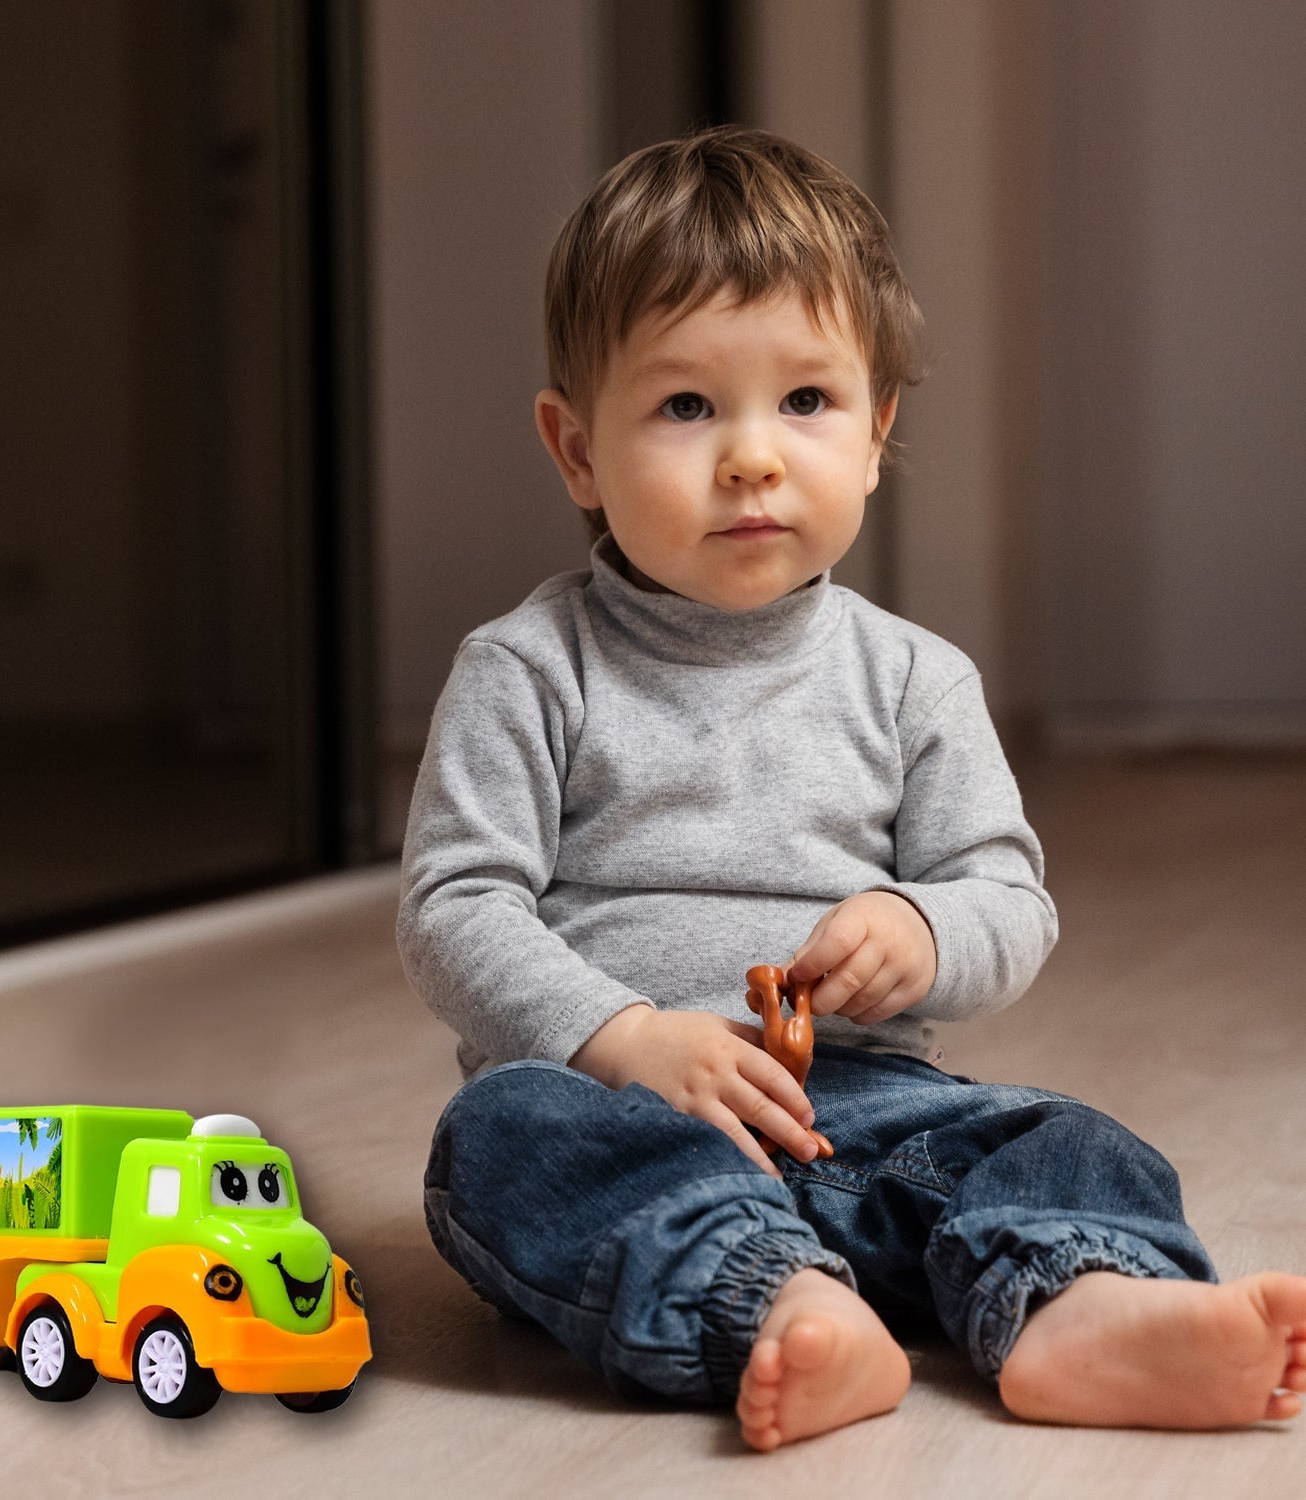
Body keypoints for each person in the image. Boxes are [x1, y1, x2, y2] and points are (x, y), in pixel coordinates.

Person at [396, 126, 1306, 1449]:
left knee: (1060, 1137)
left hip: (867, 1112)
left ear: (878, 431)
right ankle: (778, 1310)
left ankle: (1082, 1309)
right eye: (686, 406)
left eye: (806, 403)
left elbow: (1009, 897)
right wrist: (626, 1038)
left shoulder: (914, 680)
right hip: (626, 1116)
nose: (753, 456)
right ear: (576, 448)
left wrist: (926, 932)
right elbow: (457, 910)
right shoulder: (528, 671)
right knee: (494, 1139)